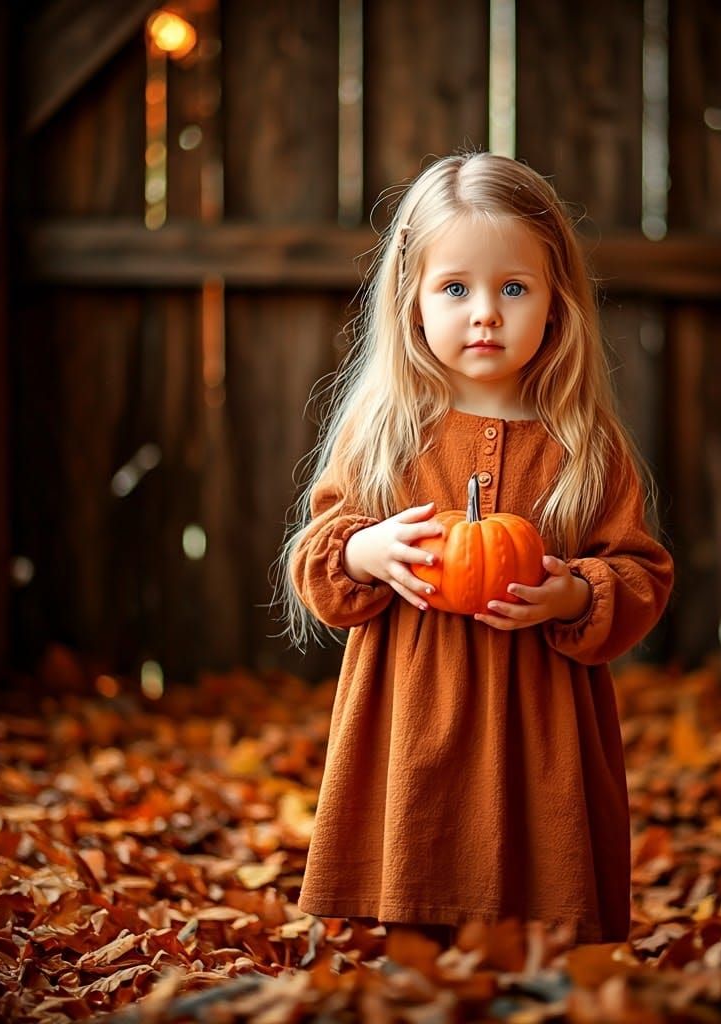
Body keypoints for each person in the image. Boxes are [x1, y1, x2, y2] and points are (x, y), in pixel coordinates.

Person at [273, 150, 675, 949]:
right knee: (420, 871)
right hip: (410, 713)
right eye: (455, 288)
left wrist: (577, 595)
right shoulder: (386, 433)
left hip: (541, 721)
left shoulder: (584, 446)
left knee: (538, 899)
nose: (484, 312)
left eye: (512, 288)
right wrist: (364, 553)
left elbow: (641, 573)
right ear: (412, 302)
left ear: (556, 304)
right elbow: (316, 553)